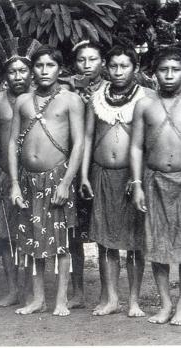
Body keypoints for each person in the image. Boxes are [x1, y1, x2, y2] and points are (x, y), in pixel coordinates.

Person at [9, 46, 84, 316]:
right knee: (32, 241)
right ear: (32, 70)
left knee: (61, 241)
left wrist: (65, 183)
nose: (44, 70)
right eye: (39, 65)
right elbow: (11, 143)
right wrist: (15, 183)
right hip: (28, 181)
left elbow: (79, 144)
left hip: (57, 176)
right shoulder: (22, 102)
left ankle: (61, 299)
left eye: (50, 65)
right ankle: (38, 299)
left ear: (60, 69)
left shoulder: (70, 100)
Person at [81, 45, 152, 317]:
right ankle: (111, 298)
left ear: (135, 68)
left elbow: (150, 142)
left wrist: (139, 180)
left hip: (132, 178)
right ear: (105, 68)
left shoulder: (146, 98)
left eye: (125, 66)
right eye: (113, 66)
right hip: (101, 175)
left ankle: (133, 300)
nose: (119, 71)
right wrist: (85, 174)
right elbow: (87, 137)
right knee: (104, 241)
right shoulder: (96, 98)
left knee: (135, 241)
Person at [0, 36, 40, 308]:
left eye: (23, 70)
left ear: (31, 73)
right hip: (5, 173)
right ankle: (12, 290)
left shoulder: (38, 100)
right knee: (6, 234)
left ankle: (31, 291)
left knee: (30, 232)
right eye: (12, 71)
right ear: (5, 75)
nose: (18, 76)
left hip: (32, 172)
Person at [130, 47, 181, 325]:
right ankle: (165, 304)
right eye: (164, 69)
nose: (170, 75)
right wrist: (137, 184)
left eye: (175, 69)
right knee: (156, 246)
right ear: (154, 73)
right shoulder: (145, 104)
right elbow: (136, 147)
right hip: (154, 181)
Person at [68, 40, 107, 309]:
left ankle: (108, 293)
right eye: (82, 60)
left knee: (104, 232)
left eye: (92, 59)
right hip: (73, 165)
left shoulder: (111, 90)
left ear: (102, 62)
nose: (87, 65)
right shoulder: (68, 90)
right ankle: (78, 291)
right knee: (74, 235)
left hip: (101, 166)